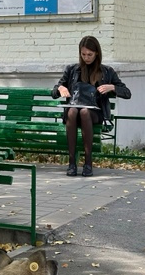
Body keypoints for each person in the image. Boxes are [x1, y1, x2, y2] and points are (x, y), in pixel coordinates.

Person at [51, 36, 130, 177]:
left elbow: (127, 92)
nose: (86, 58)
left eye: (90, 55)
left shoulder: (106, 71)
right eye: (83, 54)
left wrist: (112, 87)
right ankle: (72, 163)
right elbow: (54, 91)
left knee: (85, 112)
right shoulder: (72, 70)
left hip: (94, 113)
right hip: (74, 112)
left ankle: (88, 163)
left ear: (97, 53)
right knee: (73, 111)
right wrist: (60, 88)